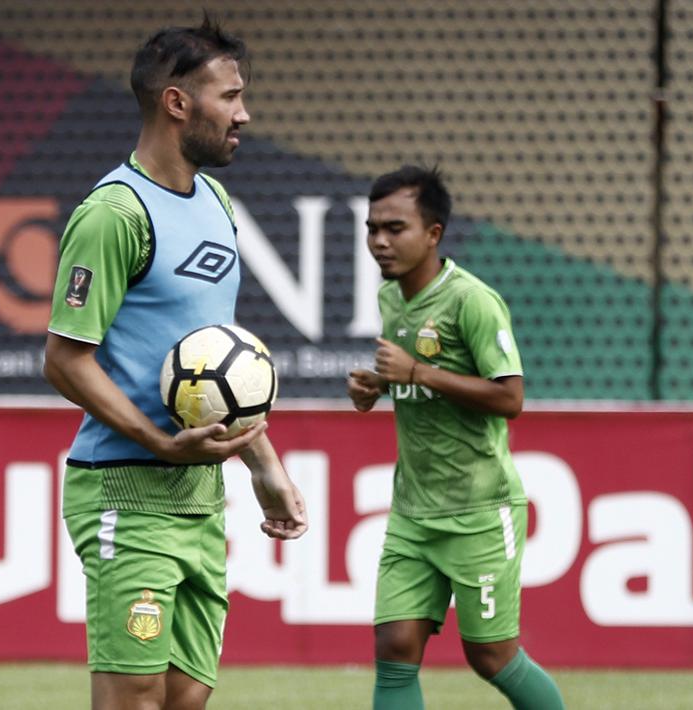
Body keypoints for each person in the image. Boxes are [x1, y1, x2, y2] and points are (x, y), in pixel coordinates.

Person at [42, 15, 308, 710]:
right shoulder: (114, 213)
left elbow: (217, 370)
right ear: (177, 103)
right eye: (230, 96)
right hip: (123, 490)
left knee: (186, 697)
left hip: (199, 496)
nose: (243, 114)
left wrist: (264, 468)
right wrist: (158, 441)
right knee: (134, 697)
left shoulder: (216, 201)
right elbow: (66, 361)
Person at [347, 165, 565, 709]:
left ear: (434, 234)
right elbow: (411, 377)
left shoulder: (473, 301)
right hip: (413, 511)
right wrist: (378, 386)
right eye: (373, 228)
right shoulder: (392, 298)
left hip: (479, 510)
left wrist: (416, 373)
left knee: (491, 655)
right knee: (394, 646)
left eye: (395, 228)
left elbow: (510, 398)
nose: (379, 241)